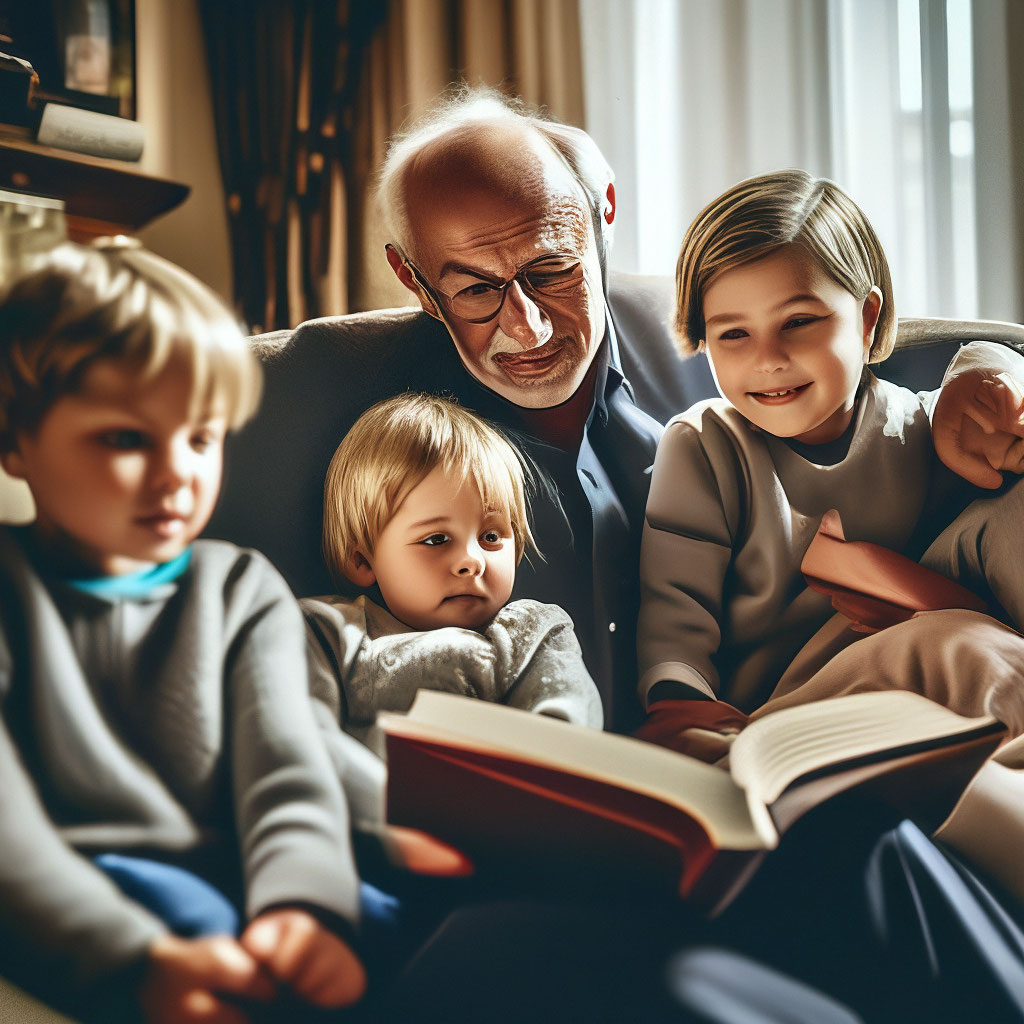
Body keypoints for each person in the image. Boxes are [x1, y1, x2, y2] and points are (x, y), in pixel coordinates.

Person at [0, 239, 368, 1023]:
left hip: (236, 869)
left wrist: (303, 906)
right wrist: (135, 960)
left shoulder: (242, 588)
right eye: (128, 439)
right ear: (13, 439)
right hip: (82, 887)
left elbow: (286, 768)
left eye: (202, 438)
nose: (178, 474)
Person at [637, 168, 1024, 761]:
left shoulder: (924, 429)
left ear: (868, 319)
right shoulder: (704, 446)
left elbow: (994, 512)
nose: (767, 359)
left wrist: (993, 375)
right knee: (963, 646)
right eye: (733, 334)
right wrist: (681, 702)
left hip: (933, 678)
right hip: (793, 711)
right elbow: (674, 609)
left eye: (797, 322)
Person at [303, 392, 602, 759]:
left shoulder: (534, 634)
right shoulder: (326, 633)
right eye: (437, 539)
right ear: (363, 561)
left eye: (491, 537)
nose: (471, 561)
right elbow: (294, 736)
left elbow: (565, 743)